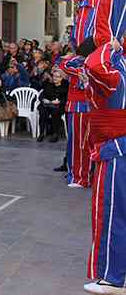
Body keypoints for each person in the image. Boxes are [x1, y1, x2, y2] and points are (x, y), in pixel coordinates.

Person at [83, 38, 126, 295]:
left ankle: (113, 278)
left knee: (111, 215)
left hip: (117, 150)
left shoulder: (117, 75)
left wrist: (107, 46)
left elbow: (93, 65)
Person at [58, 55, 91, 186]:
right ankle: (78, 172)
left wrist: (77, 70)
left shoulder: (84, 63)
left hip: (81, 107)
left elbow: (63, 65)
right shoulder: (80, 64)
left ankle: (81, 176)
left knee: (79, 143)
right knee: (77, 143)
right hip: (78, 106)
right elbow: (62, 65)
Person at [37, 70, 68, 143]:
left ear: (61, 78)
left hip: (58, 106)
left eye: (57, 77)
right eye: (54, 76)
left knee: (55, 112)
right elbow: (41, 95)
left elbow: (66, 99)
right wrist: (44, 99)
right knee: (42, 111)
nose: (55, 78)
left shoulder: (65, 87)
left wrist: (59, 101)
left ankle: (55, 134)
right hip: (48, 105)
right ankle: (41, 133)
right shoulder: (49, 85)